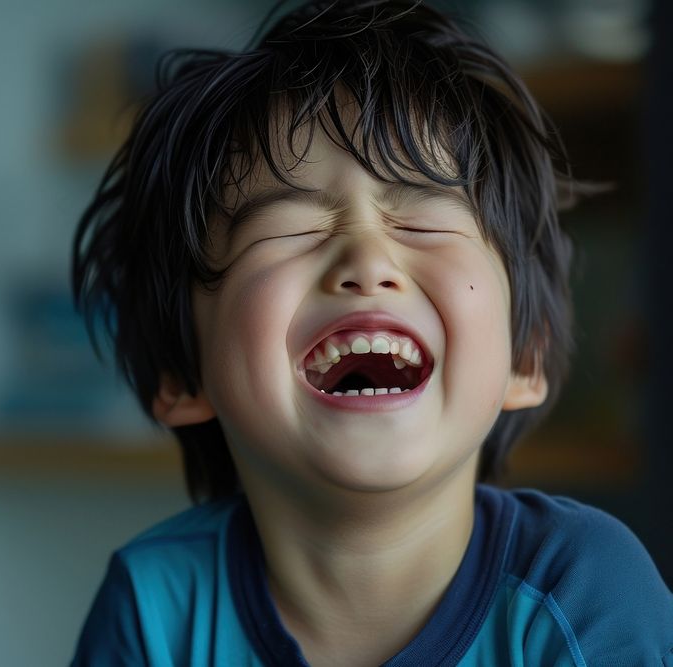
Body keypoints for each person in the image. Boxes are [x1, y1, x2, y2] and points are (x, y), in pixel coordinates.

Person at [69, 1, 673, 664]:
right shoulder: (153, 611)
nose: (367, 261)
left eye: (424, 221)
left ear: (524, 355)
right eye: (288, 228)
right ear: (183, 371)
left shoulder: (585, 591)